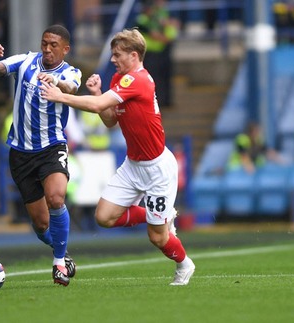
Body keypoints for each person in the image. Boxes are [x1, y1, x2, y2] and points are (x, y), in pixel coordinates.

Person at [40, 28, 195, 286]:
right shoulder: (120, 79)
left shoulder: (138, 80)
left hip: (157, 168)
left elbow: (100, 108)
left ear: (133, 55)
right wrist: (98, 94)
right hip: (133, 165)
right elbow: (110, 119)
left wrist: (61, 96)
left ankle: (184, 264)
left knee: (157, 238)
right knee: (104, 217)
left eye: (117, 54)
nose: (113, 59)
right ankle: (160, 215)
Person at [0, 24, 81, 286]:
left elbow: (71, 89)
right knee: (41, 224)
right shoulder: (25, 61)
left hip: (51, 147)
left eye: (53, 45)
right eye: (45, 42)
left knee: (56, 198)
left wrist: (55, 81)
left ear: (65, 49)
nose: (47, 48)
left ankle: (58, 265)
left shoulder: (70, 72)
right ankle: (62, 253)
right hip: (21, 153)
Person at [136, 0, 178, 107]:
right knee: (153, 79)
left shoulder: (159, 17)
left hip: (161, 52)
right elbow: (153, 34)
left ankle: (165, 101)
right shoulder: (142, 20)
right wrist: (165, 38)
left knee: (164, 77)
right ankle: (156, 102)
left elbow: (172, 30)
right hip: (149, 54)